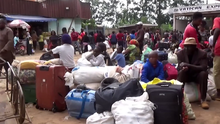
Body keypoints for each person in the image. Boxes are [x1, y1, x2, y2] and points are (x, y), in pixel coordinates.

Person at [177, 37, 209, 109]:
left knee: (203, 73)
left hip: (197, 75)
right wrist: (183, 68)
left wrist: (188, 65)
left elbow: (203, 67)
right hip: (186, 74)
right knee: (181, 72)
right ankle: (178, 97)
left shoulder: (202, 54)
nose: (187, 49)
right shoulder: (180, 54)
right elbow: (179, 66)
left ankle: (203, 99)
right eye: (186, 46)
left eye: (190, 47)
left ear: (195, 47)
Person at [212, 16, 220, 101]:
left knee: (217, 71)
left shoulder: (217, 19)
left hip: (219, 49)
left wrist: (213, 46)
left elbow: (217, 30)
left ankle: (219, 94)